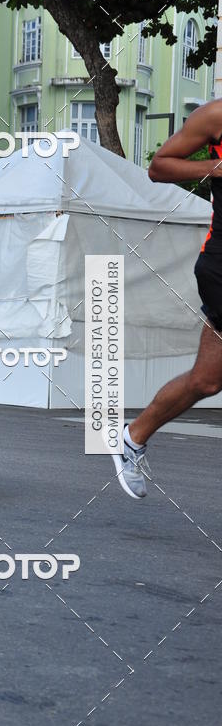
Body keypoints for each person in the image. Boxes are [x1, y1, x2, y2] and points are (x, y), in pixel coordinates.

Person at [113, 99, 222, 498]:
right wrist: (214, 168)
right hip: (221, 264)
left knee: (206, 380)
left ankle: (132, 436)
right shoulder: (216, 116)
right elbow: (159, 167)